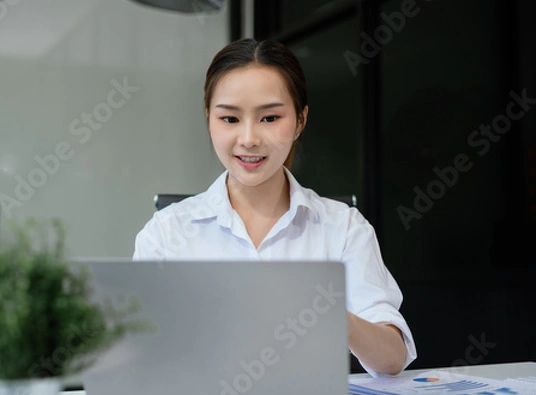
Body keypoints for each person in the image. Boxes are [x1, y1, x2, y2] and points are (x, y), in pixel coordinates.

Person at [133, 38, 417, 377]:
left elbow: (391, 361)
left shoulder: (343, 227)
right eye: (230, 119)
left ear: (300, 120)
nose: (249, 138)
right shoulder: (166, 233)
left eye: (269, 118)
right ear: (209, 118)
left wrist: (330, 311)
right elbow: (138, 356)